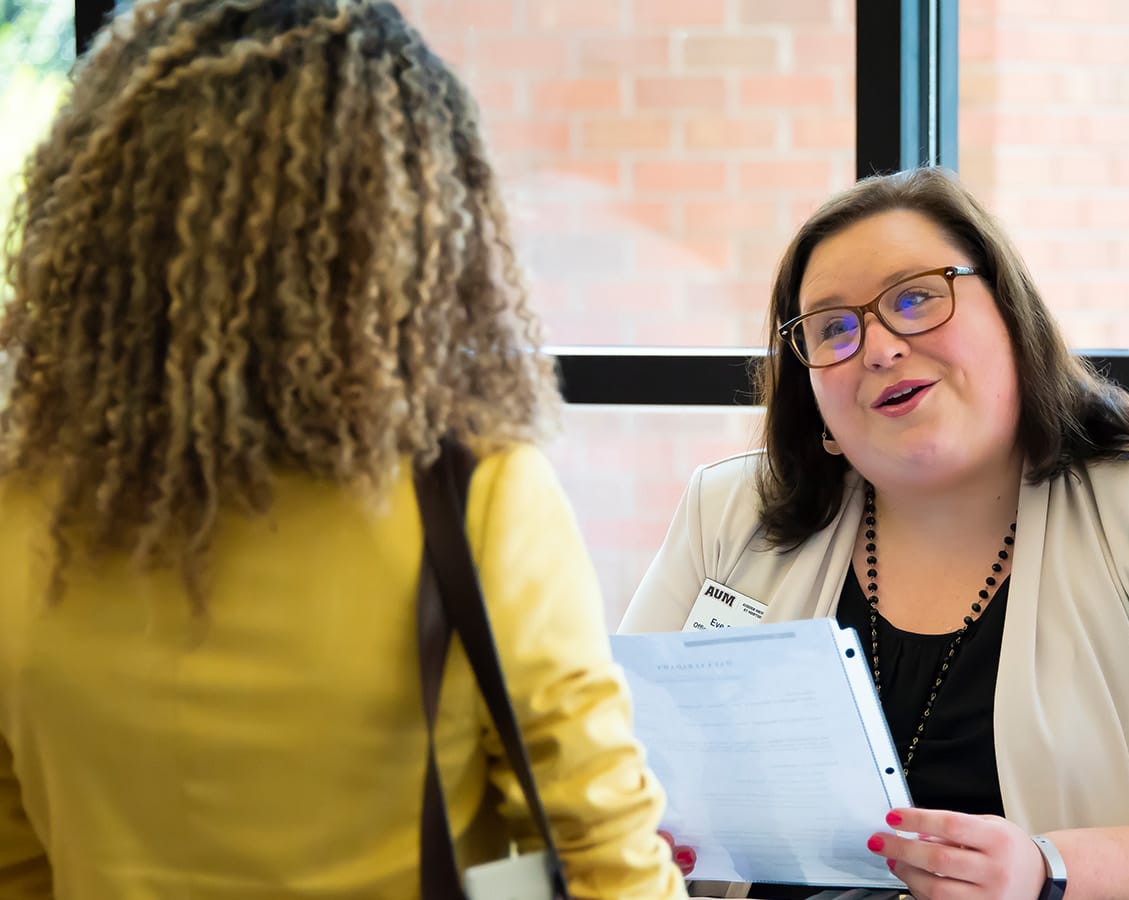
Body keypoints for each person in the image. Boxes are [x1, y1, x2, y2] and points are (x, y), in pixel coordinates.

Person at [0, 1, 685, 897]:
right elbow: (599, 857)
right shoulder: (474, 492)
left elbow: (18, 862)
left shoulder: (19, 502)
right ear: (403, 224)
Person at [621, 168, 1129, 899]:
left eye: (916, 298)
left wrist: (1045, 872)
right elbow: (618, 772)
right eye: (833, 329)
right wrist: (631, 829)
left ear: (1012, 314)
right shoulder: (730, 513)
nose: (878, 347)